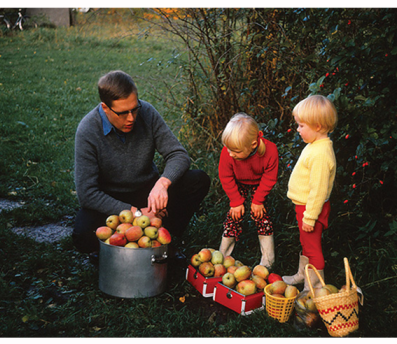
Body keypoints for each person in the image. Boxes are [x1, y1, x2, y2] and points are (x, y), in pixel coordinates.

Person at [72, 70, 210, 260]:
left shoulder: (147, 112)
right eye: (122, 113)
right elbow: (87, 194)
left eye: (134, 108)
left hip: (147, 192)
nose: (131, 118)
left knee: (197, 180)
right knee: (82, 234)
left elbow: (178, 155)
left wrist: (162, 184)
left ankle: (163, 241)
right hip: (111, 199)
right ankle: (112, 248)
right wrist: (135, 213)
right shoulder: (88, 130)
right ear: (105, 108)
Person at [282, 95, 337, 291]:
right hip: (304, 207)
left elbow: (319, 190)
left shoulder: (321, 154)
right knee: (306, 243)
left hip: (310, 208)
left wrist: (310, 216)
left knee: (313, 249)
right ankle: (302, 274)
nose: (298, 130)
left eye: (301, 126)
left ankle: (312, 288)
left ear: (318, 126)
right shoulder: (315, 146)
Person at [217, 113, 279, 268]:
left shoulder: (270, 151)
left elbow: (269, 178)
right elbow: (226, 177)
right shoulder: (228, 152)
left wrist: (258, 201)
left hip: (260, 183)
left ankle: (267, 262)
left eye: (235, 151)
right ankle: (222, 258)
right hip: (237, 182)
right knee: (233, 217)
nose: (230, 154)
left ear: (253, 144)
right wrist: (236, 201)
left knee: (261, 217)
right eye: (228, 149)